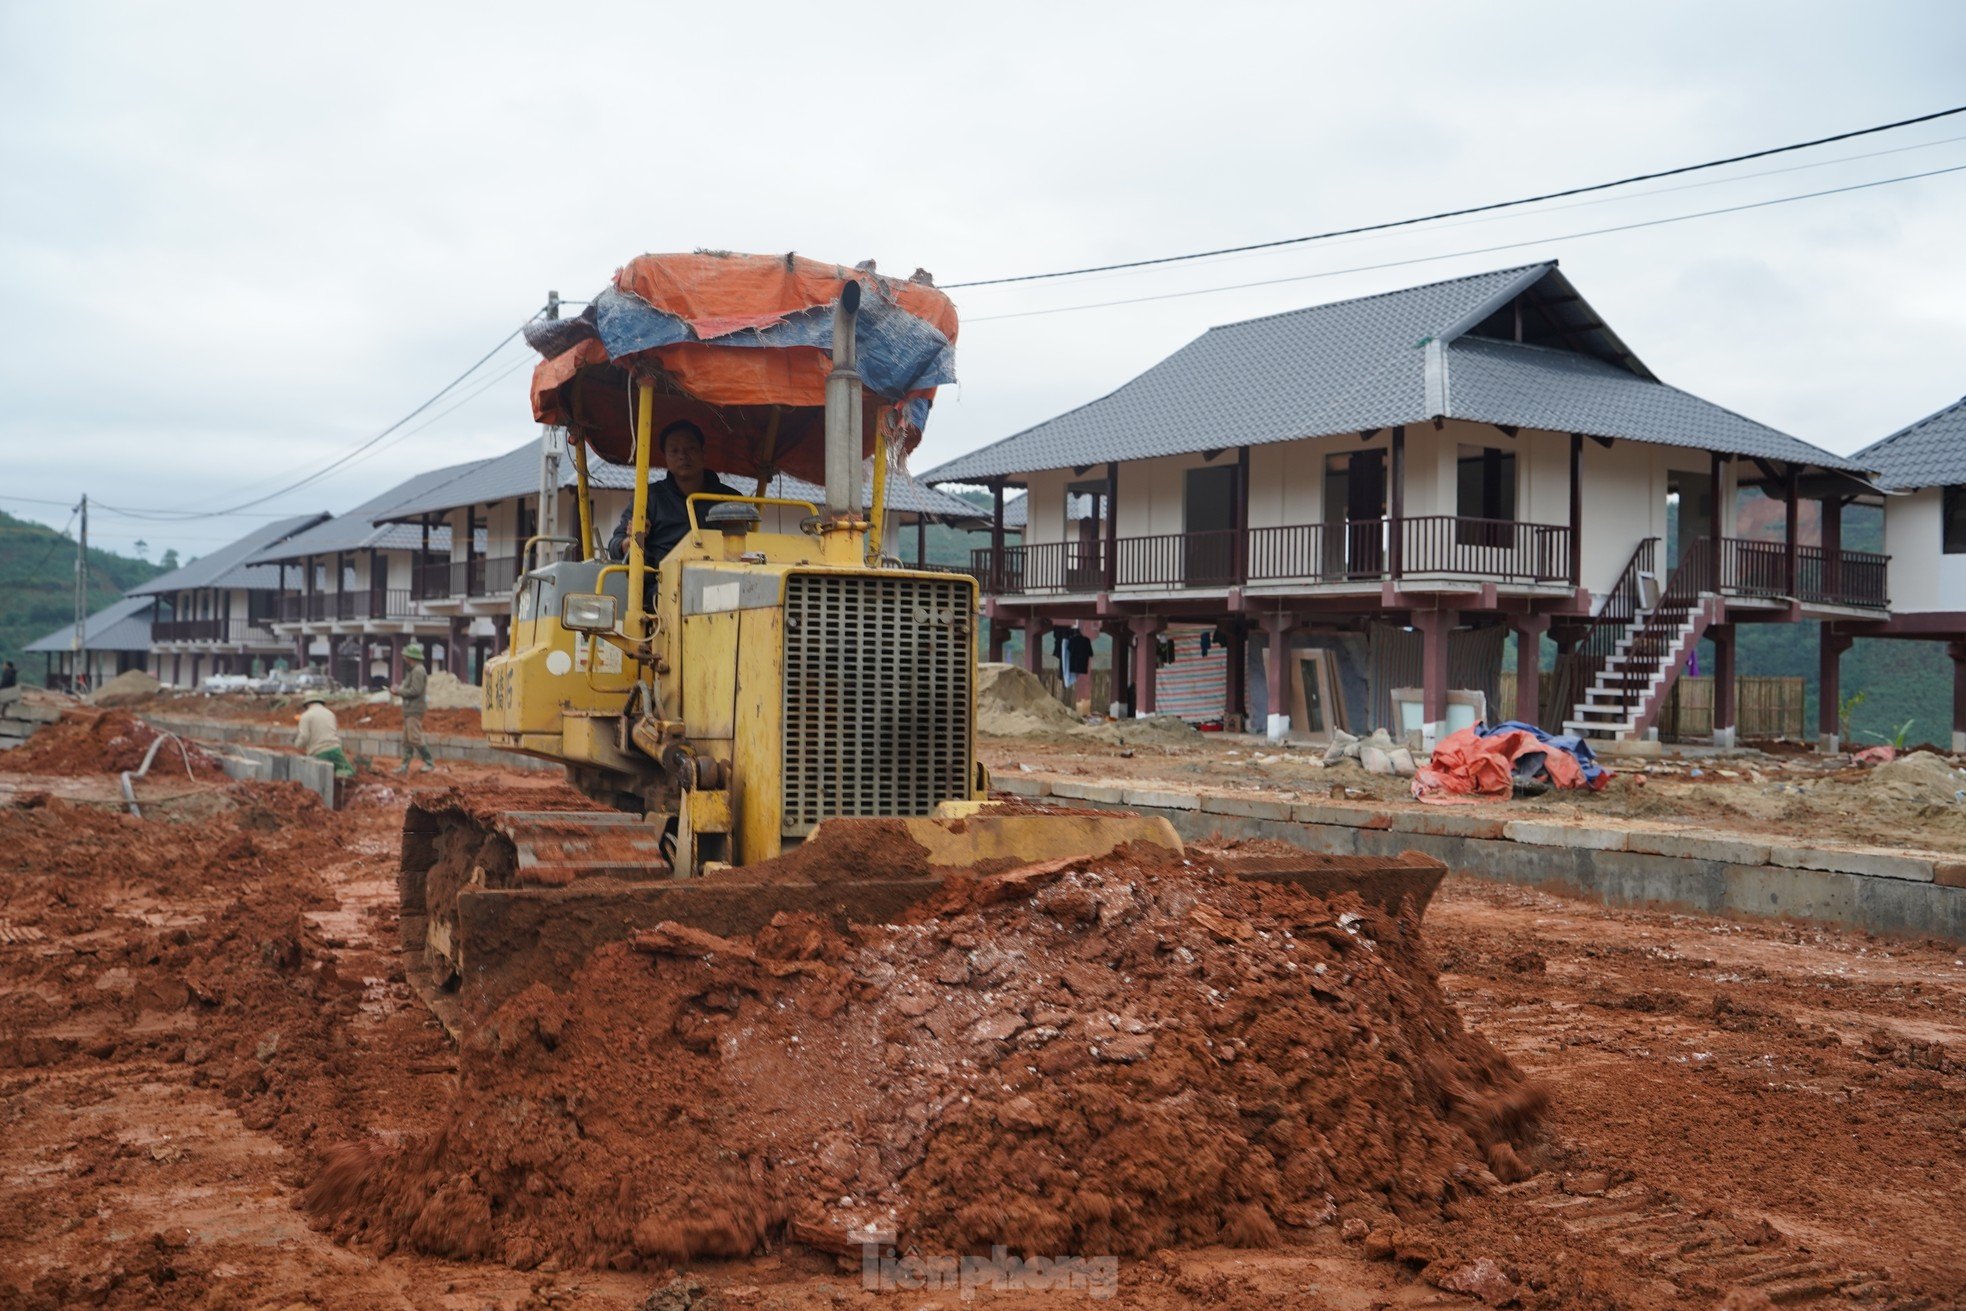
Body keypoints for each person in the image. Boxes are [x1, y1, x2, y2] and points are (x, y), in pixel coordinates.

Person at [607, 420, 738, 563]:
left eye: (691, 448)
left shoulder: (731, 500)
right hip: (660, 580)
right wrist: (631, 541)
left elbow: (750, 547)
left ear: (703, 453)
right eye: (674, 450)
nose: (682, 456)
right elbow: (615, 546)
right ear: (666, 458)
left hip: (720, 578)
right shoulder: (648, 498)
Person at [392, 643, 436, 773]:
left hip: (414, 709)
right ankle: (404, 766)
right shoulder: (413, 670)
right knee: (407, 739)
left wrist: (398, 692)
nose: (404, 658)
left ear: (410, 657)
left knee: (415, 737)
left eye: (406, 656)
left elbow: (415, 690)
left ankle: (429, 763)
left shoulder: (418, 670)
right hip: (409, 709)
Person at [293, 690, 356, 779]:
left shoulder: (306, 716)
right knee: (349, 773)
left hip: (319, 753)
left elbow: (304, 737)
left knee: (319, 778)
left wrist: (297, 745)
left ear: (307, 704)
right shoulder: (330, 714)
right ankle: (339, 783)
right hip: (335, 750)